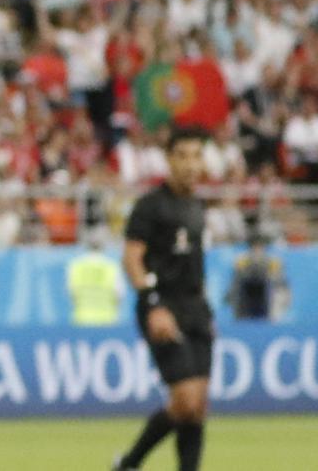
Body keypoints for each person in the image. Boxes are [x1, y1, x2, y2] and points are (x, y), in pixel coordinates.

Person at [113, 127, 214, 471]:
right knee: (185, 400)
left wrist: (205, 308)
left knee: (197, 405)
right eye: (182, 155)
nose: (190, 164)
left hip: (195, 307)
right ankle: (129, 462)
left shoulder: (197, 207)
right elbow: (131, 258)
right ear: (169, 159)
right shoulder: (150, 206)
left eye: (196, 155)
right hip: (163, 305)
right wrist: (153, 303)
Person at [225, 229, 290, 320]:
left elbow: (280, 281)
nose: (257, 249)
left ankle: (272, 321)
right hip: (247, 295)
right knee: (237, 289)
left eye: (260, 246)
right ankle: (240, 319)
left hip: (266, 294)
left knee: (278, 291)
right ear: (250, 247)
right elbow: (235, 281)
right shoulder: (242, 260)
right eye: (255, 246)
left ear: (264, 247)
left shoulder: (273, 261)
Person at [67, 232, 125, 327]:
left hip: (82, 319)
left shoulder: (76, 266)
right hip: (108, 320)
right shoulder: (110, 266)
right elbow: (119, 294)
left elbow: (72, 293)